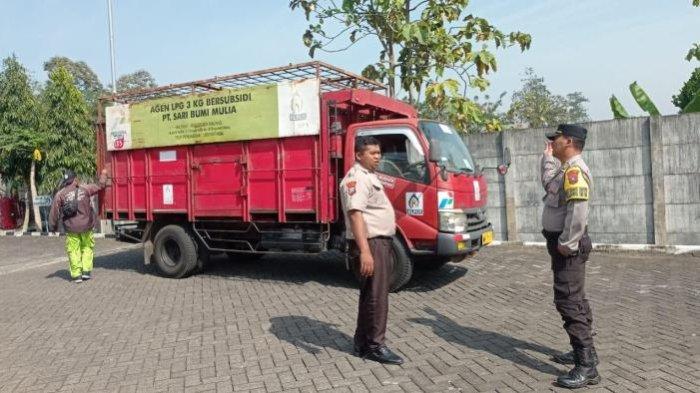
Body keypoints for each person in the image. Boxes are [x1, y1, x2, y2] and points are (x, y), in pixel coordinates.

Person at [541, 124, 599, 388]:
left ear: (570, 141)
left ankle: (586, 367)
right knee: (575, 298)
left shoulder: (575, 171)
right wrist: (547, 158)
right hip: (563, 243)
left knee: (568, 300)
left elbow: (578, 211)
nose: (553, 143)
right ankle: (584, 353)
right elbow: (550, 184)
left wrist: (567, 242)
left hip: (569, 246)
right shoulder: (565, 169)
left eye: (557, 139)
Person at [339, 136, 403, 365]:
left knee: (370, 295)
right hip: (371, 243)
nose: (378, 156)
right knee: (377, 296)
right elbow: (355, 215)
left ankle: (362, 343)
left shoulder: (369, 177)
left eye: (379, 152)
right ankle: (376, 346)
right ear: (358, 155)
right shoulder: (356, 179)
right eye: (373, 153)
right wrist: (365, 252)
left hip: (377, 242)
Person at [49, 169, 109, 283]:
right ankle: (86, 272)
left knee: (73, 250)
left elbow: (54, 212)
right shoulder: (85, 189)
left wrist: (53, 227)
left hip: (71, 229)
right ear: (75, 179)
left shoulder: (60, 194)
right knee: (87, 247)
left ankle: (77, 275)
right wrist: (104, 174)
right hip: (86, 226)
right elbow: (100, 185)